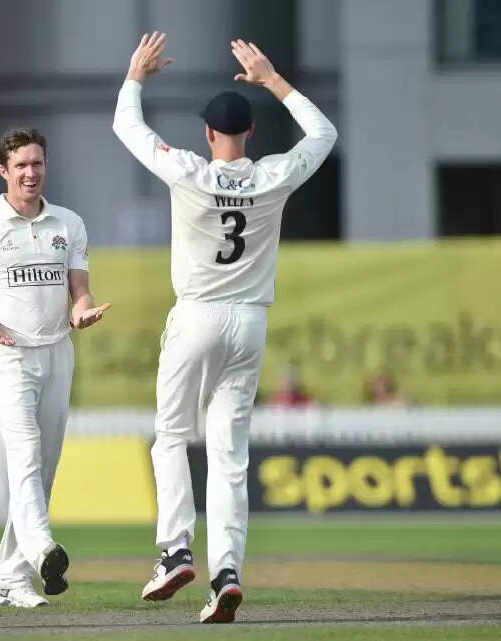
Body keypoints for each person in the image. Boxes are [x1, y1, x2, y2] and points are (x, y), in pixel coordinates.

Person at [113, 33, 337, 622]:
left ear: (208, 134)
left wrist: (136, 76)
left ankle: (175, 551)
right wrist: (273, 80)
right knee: (229, 456)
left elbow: (126, 127)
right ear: (250, 133)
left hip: (197, 315)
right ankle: (227, 573)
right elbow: (323, 134)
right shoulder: (272, 176)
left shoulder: (188, 171)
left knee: (170, 435)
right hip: (250, 323)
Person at [0, 128, 110, 608]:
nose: (30, 173)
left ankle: (11, 577)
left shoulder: (69, 223)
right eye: (21, 165)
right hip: (9, 356)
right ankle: (44, 549)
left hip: (58, 352)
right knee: (24, 456)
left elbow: (79, 289)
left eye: (37, 164)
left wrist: (81, 311)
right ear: (3, 171)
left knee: (43, 468)